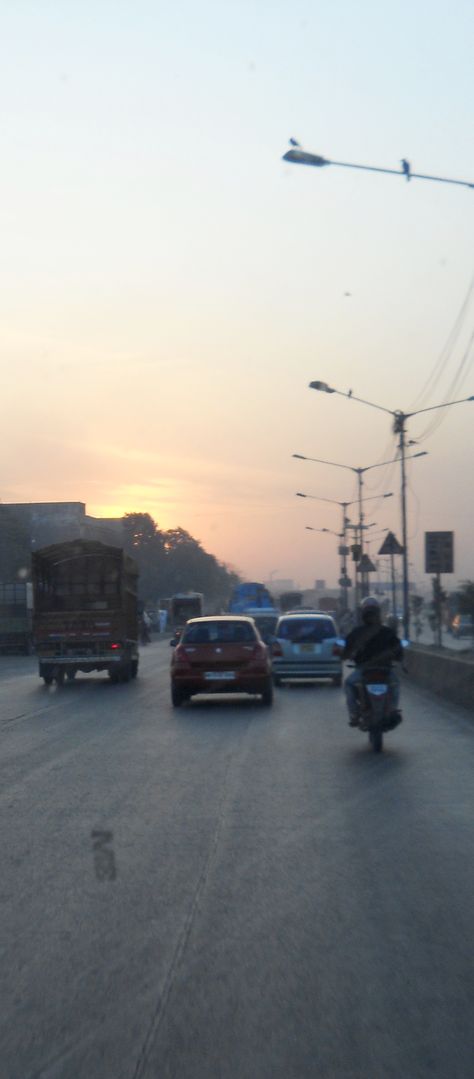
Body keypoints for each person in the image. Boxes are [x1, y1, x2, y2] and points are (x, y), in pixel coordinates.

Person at [341, 596, 403, 726]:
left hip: (364, 670)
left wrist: (347, 655)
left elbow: (347, 651)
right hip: (385, 670)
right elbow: (398, 650)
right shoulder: (387, 632)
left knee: (348, 684)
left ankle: (354, 714)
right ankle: (392, 710)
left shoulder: (356, 632)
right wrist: (399, 660)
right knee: (395, 684)